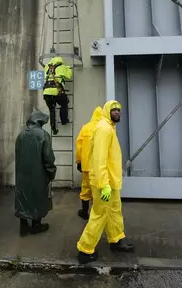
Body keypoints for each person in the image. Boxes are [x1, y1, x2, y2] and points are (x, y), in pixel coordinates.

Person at [76, 100, 135, 264]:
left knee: (115, 211)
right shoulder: (104, 129)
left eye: (119, 110)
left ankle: (116, 240)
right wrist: (103, 185)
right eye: (114, 110)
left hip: (111, 182)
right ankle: (84, 249)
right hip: (105, 184)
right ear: (107, 111)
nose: (117, 112)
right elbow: (99, 159)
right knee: (99, 214)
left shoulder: (109, 127)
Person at [14, 109, 57, 236]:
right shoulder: (43, 135)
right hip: (39, 173)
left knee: (22, 197)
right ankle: (36, 225)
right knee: (38, 197)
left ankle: (23, 226)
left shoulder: (21, 135)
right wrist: (51, 172)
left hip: (21, 174)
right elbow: (48, 157)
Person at [74, 106, 103, 220]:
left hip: (86, 166)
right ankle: (97, 215)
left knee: (86, 189)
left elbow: (79, 146)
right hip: (99, 167)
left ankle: (84, 212)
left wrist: (79, 161)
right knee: (98, 190)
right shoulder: (104, 128)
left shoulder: (85, 128)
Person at [42, 56, 72, 135]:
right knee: (64, 104)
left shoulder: (47, 67)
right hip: (57, 91)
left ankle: (53, 128)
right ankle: (64, 120)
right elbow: (68, 76)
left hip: (46, 92)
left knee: (52, 110)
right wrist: (68, 68)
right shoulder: (61, 67)